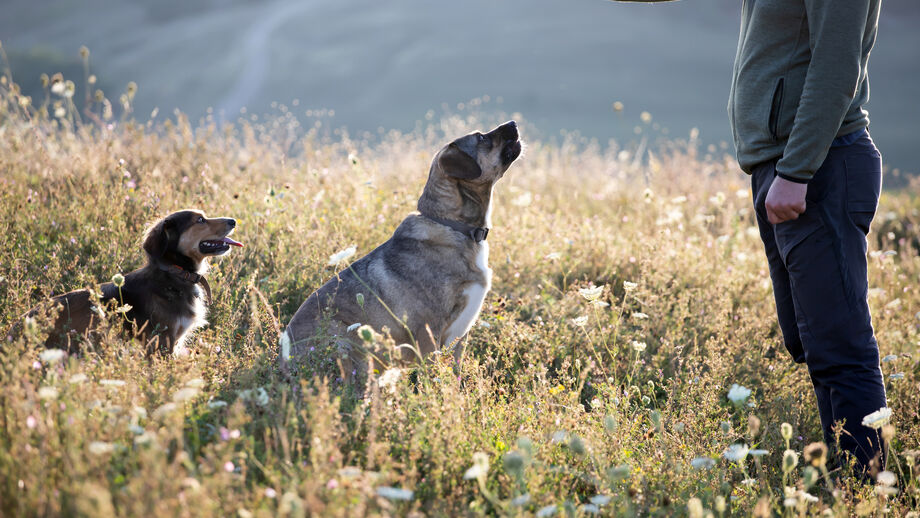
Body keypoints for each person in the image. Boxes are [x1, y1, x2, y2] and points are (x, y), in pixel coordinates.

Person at [614, 0, 887, 472]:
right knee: (813, 343)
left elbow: (837, 63)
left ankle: (868, 491)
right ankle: (846, 481)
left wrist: (797, 171)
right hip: (786, 165)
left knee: (840, 348)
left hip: (818, 166)